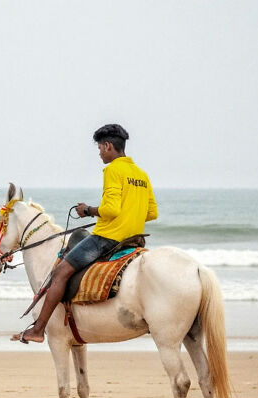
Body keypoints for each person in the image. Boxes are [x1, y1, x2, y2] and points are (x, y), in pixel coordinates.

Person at [13, 123, 158, 343]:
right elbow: (151, 213)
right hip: (133, 240)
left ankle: (37, 329)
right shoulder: (141, 174)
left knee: (60, 272)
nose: (99, 153)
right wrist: (130, 215)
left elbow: (110, 209)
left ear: (108, 146)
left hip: (107, 239)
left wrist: (87, 211)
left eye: (100, 148)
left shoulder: (112, 170)